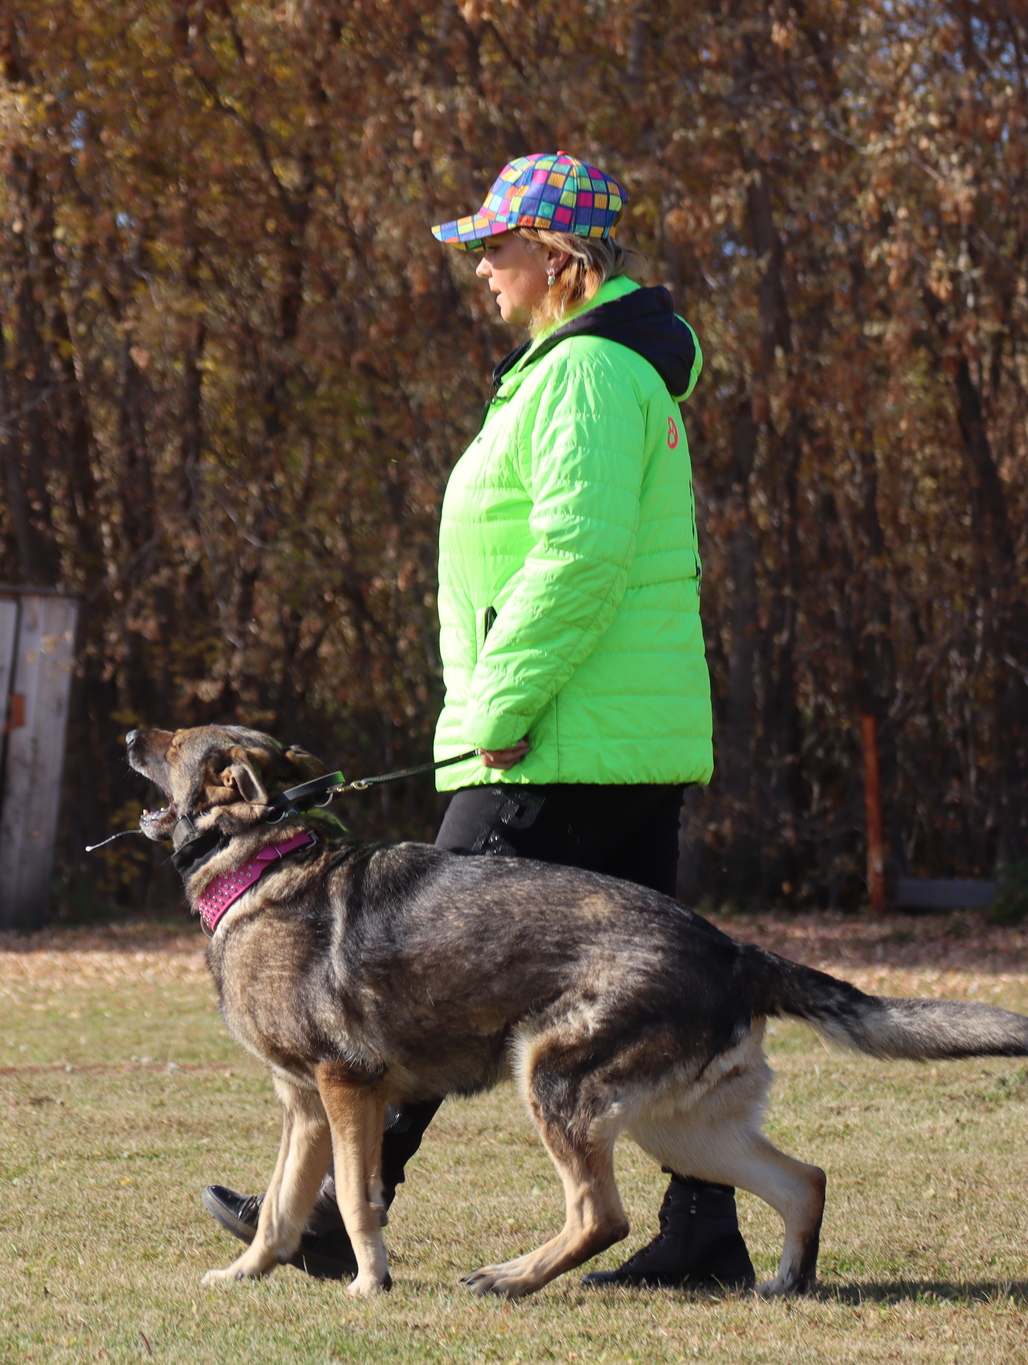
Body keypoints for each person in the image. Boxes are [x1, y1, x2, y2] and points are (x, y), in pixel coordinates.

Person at [199, 151, 744, 1289]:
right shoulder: (582, 367)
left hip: (558, 734)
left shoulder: (588, 372)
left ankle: (326, 1219)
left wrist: (496, 704)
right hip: (609, 734)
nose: (481, 269)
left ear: (558, 258)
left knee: (402, 964)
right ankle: (705, 1234)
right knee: (666, 980)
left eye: (495, 247)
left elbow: (577, 556)